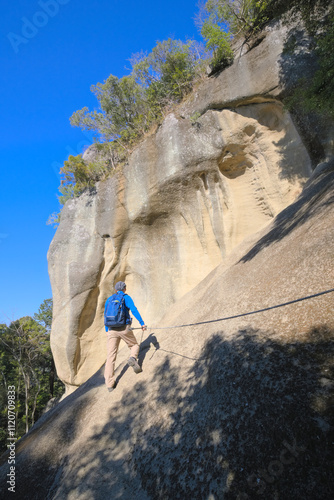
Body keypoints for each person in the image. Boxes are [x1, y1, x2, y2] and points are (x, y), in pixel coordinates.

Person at [104, 281, 147, 392]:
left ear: (115, 290)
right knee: (134, 345)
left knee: (111, 356)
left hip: (111, 330)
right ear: (124, 289)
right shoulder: (126, 298)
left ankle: (109, 384)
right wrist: (142, 323)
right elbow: (133, 309)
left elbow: (105, 315)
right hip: (124, 328)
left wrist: (107, 330)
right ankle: (133, 358)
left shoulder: (109, 300)